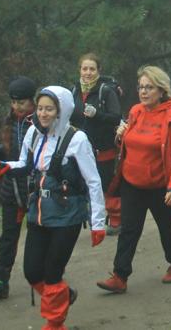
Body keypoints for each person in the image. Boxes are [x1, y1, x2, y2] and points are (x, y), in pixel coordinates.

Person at [0, 85, 106, 330]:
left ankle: (55, 323)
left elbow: (93, 181)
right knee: (32, 272)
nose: (43, 114)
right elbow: (25, 162)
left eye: (49, 109)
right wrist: (6, 166)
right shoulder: (33, 133)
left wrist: (98, 223)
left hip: (68, 215)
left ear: (60, 111)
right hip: (39, 212)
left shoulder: (77, 139)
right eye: (41, 108)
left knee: (53, 272)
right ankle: (63, 296)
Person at [98, 66, 171, 293]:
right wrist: (120, 137)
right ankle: (120, 276)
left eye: (149, 87)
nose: (143, 91)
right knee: (129, 229)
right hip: (132, 182)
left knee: (168, 227)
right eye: (141, 87)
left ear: (161, 90)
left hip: (161, 185)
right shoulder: (136, 112)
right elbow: (128, 145)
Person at [0, 76, 37, 300]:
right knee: (8, 238)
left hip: (33, 189)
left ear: (31, 101)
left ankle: (48, 275)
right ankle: (0, 281)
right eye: (13, 102)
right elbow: (8, 149)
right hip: (10, 188)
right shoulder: (10, 121)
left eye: (21, 102)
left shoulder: (40, 120)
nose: (16, 107)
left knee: (39, 236)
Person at [69, 53, 122, 233]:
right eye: (85, 69)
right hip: (81, 149)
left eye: (92, 69)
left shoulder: (106, 91)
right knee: (86, 183)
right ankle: (96, 217)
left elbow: (116, 117)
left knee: (107, 183)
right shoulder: (74, 91)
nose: (88, 72)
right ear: (79, 70)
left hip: (104, 147)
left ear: (99, 70)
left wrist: (97, 115)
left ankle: (116, 218)